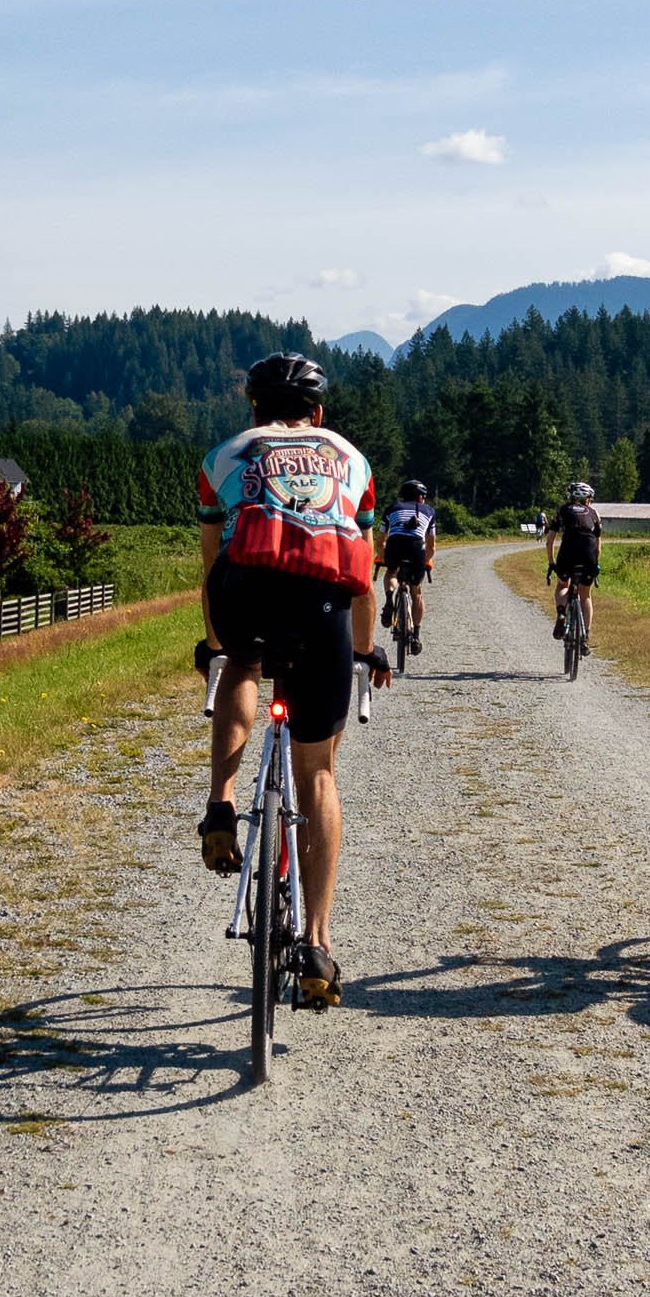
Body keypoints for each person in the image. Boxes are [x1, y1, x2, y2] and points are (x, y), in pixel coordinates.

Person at [196, 354, 390, 1007]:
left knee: (240, 666)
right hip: (325, 606)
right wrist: (364, 653)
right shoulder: (351, 459)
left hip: (245, 591)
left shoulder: (225, 455)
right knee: (319, 775)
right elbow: (363, 571)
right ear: (319, 412)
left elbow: (210, 564)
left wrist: (216, 646)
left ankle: (221, 803)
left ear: (251, 408)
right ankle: (316, 942)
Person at [380, 477, 436, 641]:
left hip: (395, 544)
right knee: (416, 590)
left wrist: (382, 557)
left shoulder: (392, 508)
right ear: (420, 496)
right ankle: (416, 635)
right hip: (417, 547)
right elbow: (432, 546)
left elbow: (380, 540)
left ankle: (389, 599)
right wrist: (425, 561)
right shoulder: (429, 511)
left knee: (391, 572)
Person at [544, 479, 602, 636]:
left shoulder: (563, 510)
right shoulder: (594, 514)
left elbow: (549, 542)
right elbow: (597, 547)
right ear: (588, 499)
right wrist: (595, 565)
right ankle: (585, 637)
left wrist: (552, 563)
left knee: (563, 586)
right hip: (588, 556)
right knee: (585, 595)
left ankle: (562, 613)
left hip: (568, 553)